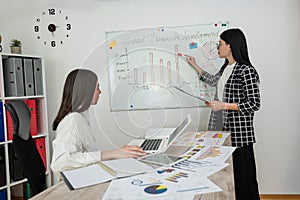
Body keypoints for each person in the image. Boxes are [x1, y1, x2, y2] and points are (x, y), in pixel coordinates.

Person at [185, 28, 261, 200]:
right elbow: (213, 81)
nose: (217, 47)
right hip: (221, 130)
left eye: (220, 44)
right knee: (227, 176)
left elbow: (254, 103)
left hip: (239, 134)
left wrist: (223, 105)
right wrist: (194, 64)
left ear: (231, 46)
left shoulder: (246, 70)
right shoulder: (226, 67)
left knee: (243, 175)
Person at [51, 69, 146, 173]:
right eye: (97, 88)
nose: (100, 92)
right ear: (86, 90)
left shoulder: (82, 117)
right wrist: (114, 153)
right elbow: (60, 163)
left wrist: (118, 154)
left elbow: (86, 155)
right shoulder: (72, 119)